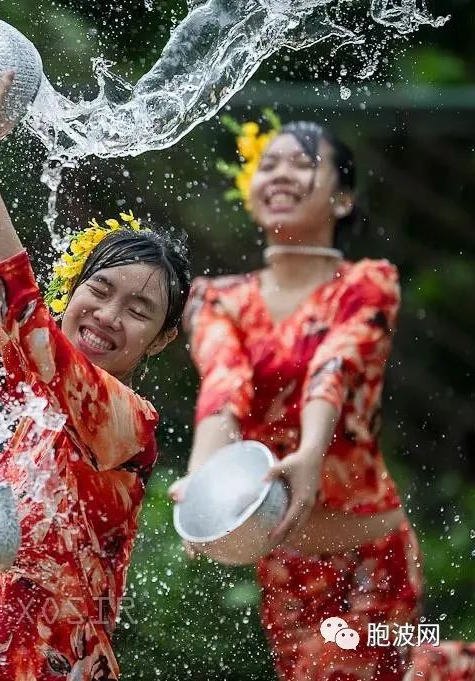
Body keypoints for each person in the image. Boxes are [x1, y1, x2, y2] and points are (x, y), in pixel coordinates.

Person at [0, 36, 191, 680]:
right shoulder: (37, 401)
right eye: (100, 290)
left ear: (163, 339)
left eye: (140, 312)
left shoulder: (127, 423)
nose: (109, 316)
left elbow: (21, 312)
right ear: (74, 291)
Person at [175, 118, 474, 680]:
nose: (281, 173)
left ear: (341, 197)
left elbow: (331, 367)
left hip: (372, 557)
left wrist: (310, 452)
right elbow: (224, 385)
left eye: (302, 162)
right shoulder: (218, 299)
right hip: (285, 569)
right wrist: (201, 480)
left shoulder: (368, 284)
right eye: (269, 163)